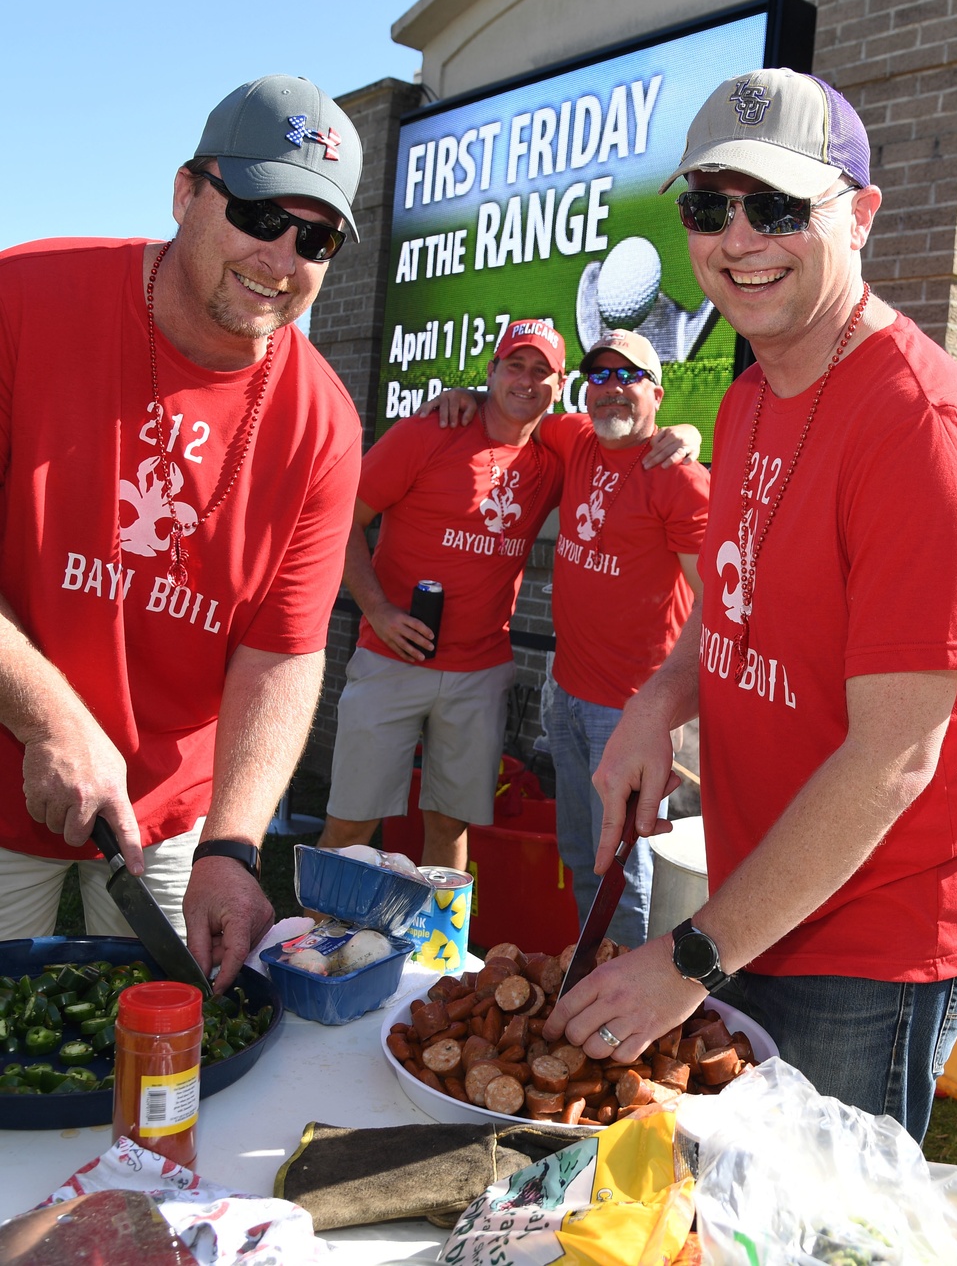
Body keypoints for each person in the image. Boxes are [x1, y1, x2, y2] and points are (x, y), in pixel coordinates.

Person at [544, 67, 957, 1142]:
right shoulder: (749, 388)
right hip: (757, 902)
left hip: (872, 946)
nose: (737, 238)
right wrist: (664, 695)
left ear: (860, 216)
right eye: (711, 207)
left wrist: (691, 956)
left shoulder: (923, 431)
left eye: (780, 207)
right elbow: (733, 598)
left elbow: (895, 756)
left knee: (820, 1230)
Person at [0, 74, 364, 991]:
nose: (281, 257)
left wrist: (234, 845)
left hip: (170, 824)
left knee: (164, 1067)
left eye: (313, 237)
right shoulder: (24, 298)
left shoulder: (323, 424)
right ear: (184, 193)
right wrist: (48, 717)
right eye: (256, 212)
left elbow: (282, 653)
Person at [319, 322, 566, 870]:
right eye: (514, 366)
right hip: (391, 658)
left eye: (541, 371)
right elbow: (341, 519)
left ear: (560, 385)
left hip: (480, 671)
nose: (526, 380)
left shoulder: (554, 460)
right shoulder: (432, 430)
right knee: (352, 821)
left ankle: (437, 953)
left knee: (450, 823)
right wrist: (378, 611)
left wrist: (685, 438)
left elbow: (618, 444)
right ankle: (315, 950)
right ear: (491, 372)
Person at [541, 330, 709, 949]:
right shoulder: (575, 438)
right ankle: (595, 977)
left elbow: (720, 605)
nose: (611, 390)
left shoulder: (681, 481)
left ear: (656, 393)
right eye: (600, 377)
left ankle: (638, 1011)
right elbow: (515, 407)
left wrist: (664, 707)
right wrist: (452, 400)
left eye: (628, 377)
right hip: (567, 696)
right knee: (587, 858)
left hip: (635, 711)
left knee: (630, 876)